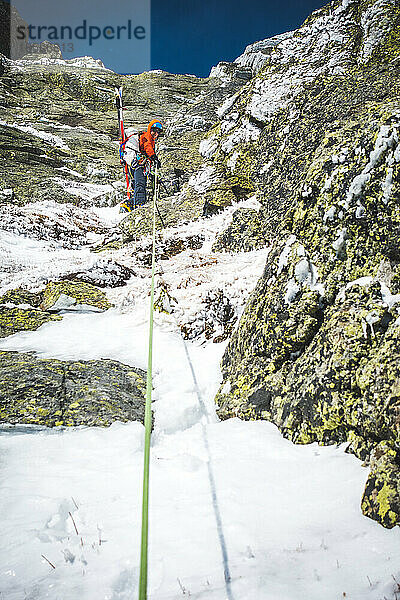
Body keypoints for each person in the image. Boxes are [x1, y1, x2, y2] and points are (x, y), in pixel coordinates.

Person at [120, 119, 163, 212]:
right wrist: (154, 157)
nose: (156, 133)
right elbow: (147, 147)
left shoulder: (147, 138)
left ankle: (129, 203)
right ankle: (139, 205)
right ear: (150, 129)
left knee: (136, 185)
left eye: (158, 132)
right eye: (154, 130)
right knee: (140, 183)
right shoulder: (147, 137)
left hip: (133, 164)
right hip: (137, 164)